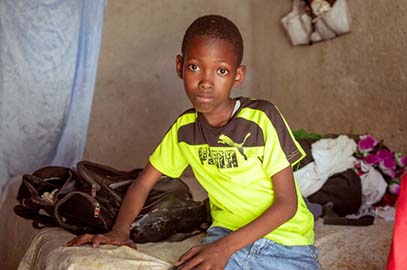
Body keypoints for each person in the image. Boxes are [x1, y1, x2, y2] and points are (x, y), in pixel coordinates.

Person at [67, 15, 320, 270]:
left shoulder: (261, 119)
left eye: (221, 71)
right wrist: (120, 231)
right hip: (224, 233)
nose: (206, 82)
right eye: (195, 67)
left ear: (237, 76)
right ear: (180, 66)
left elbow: (287, 203)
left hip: (287, 242)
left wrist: (224, 249)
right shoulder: (184, 131)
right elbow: (143, 183)